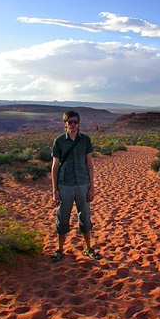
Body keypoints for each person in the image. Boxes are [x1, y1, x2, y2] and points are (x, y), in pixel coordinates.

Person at [50, 111, 102, 262]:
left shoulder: (85, 140)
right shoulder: (59, 141)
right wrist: (54, 191)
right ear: (65, 124)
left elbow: (90, 165)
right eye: (70, 122)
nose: (73, 125)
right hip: (64, 185)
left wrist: (92, 187)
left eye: (75, 122)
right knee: (62, 218)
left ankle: (88, 248)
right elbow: (54, 167)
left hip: (82, 185)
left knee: (85, 217)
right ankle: (60, 250)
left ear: (79, 123)